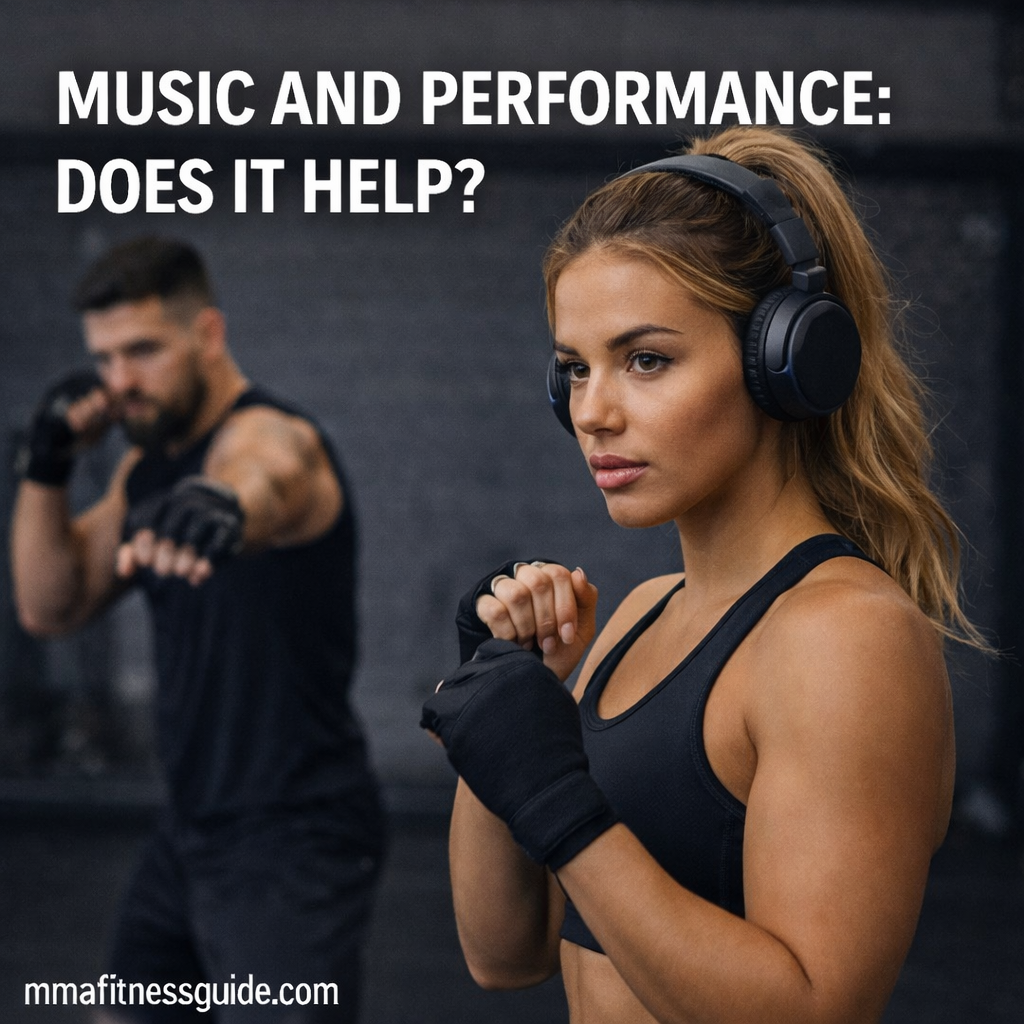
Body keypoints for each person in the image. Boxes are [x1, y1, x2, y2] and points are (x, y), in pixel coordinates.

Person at [421, 127, 984, 1024]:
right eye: (574, 369)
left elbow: (812, 1009)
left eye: (647, 360)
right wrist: (506, 716)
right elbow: (505, 952)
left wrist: (559, 804)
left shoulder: (844, 637)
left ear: (784, 360)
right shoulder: (644, 611)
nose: (593, 412)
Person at [11, 237, 385, 1023]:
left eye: (142, 351)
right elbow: (51, 605)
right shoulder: (143, 472)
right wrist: (44, 469)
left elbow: (266, 475)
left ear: (207, 335)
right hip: (190, 830)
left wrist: (224, 504)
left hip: (293, 838)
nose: (120, 382)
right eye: (105, 358)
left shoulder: (279, 438)